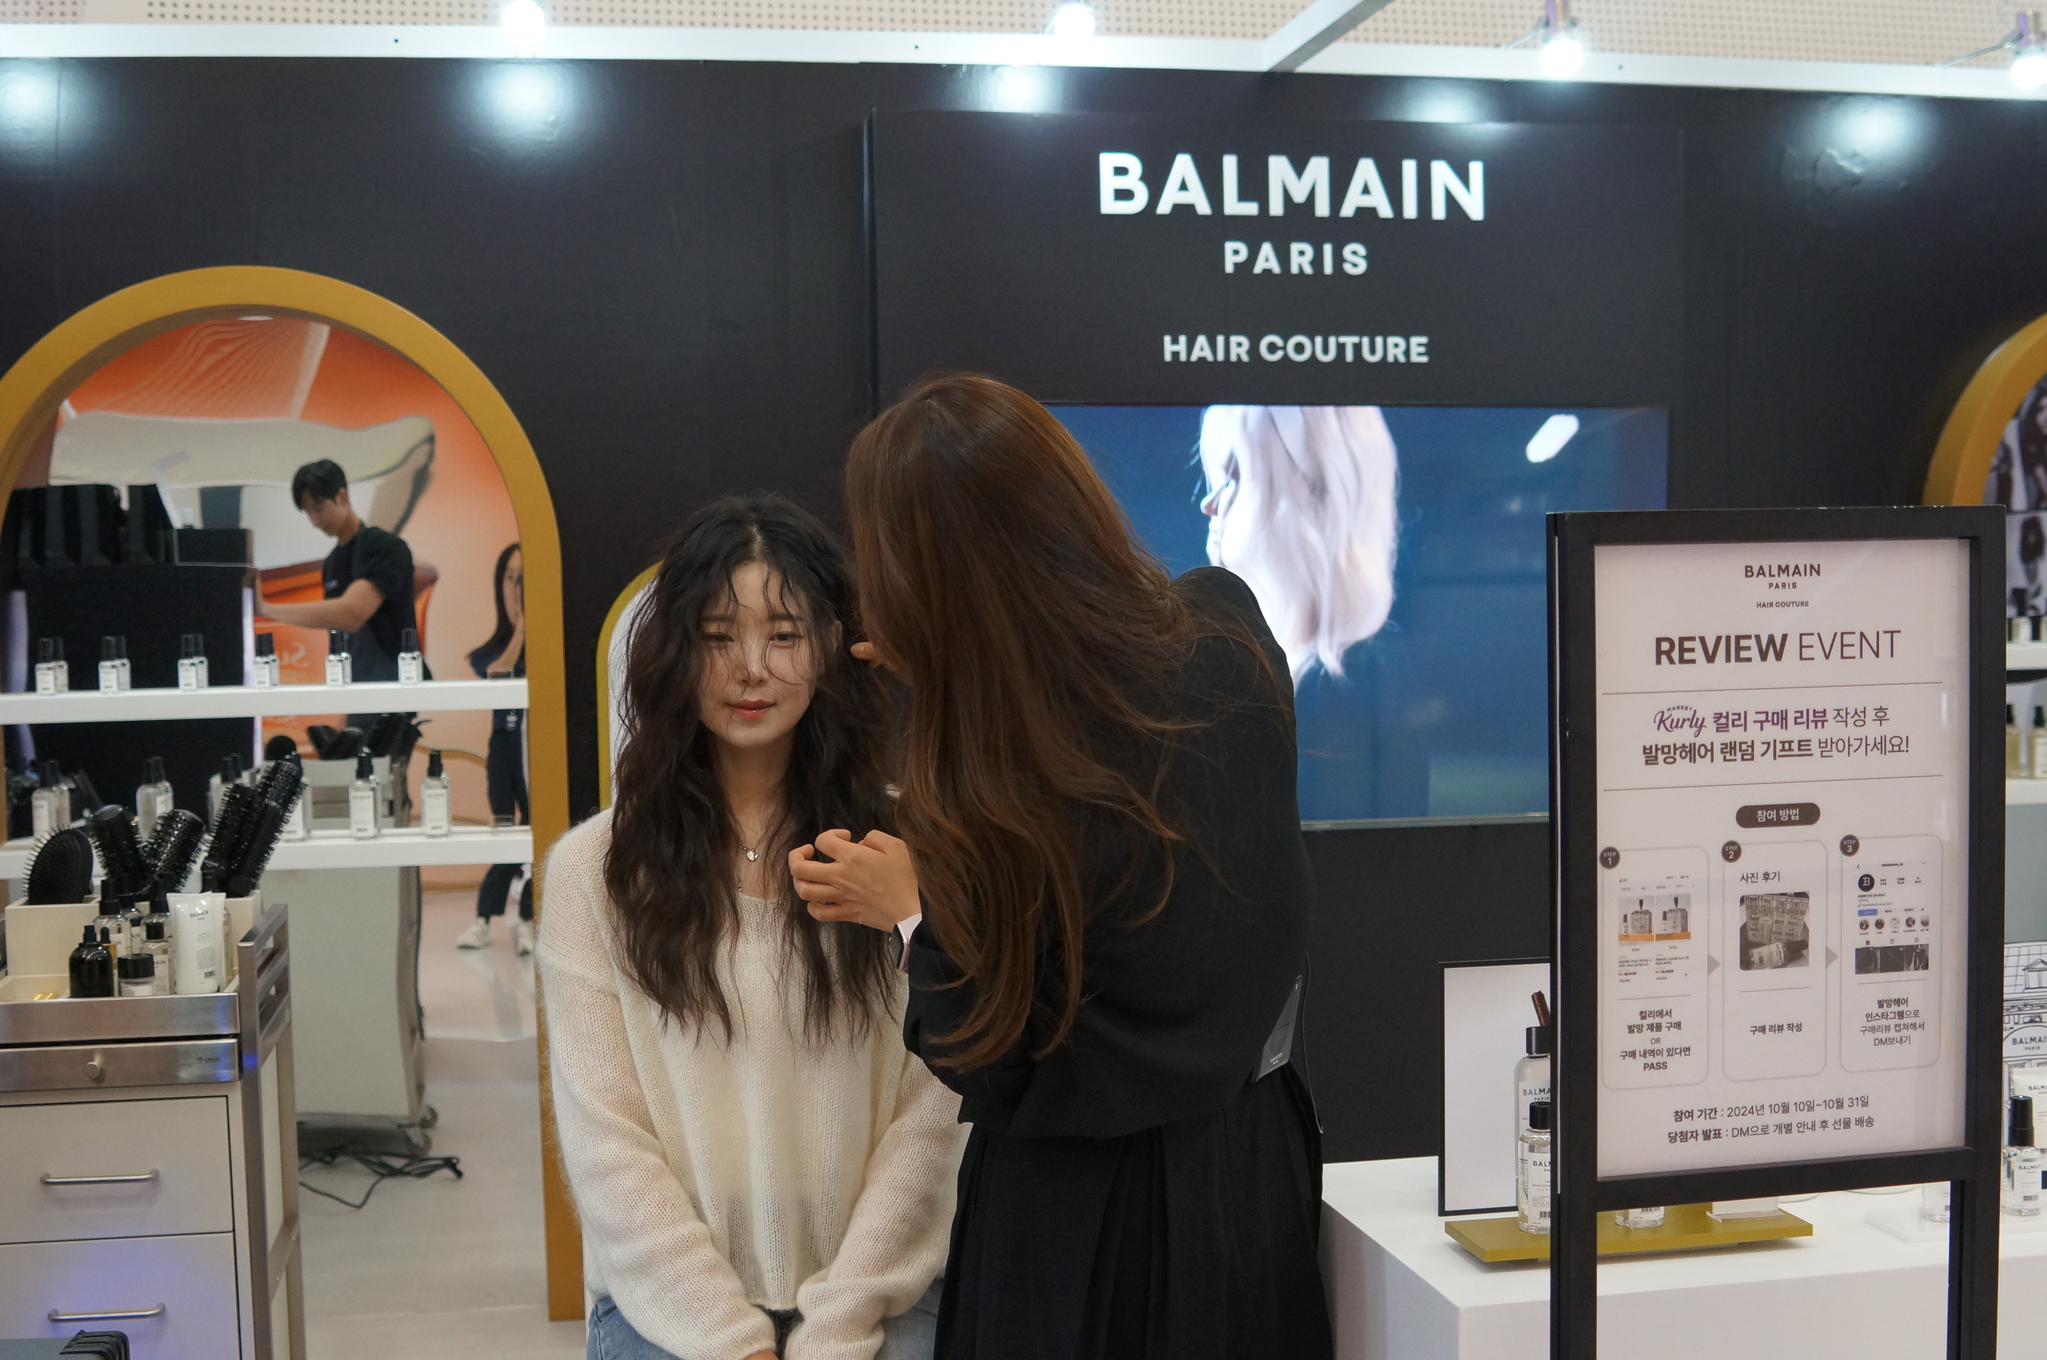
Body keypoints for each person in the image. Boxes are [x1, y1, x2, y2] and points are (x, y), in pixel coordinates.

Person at [794, 375, 1332, 1360]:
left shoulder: (1000, 770)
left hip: (1085, 1216)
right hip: (1252, 1174)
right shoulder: (1225, 630)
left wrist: (916, 908)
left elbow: (997, 1052)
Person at [538, 494, 964, 1360]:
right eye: (717, 634)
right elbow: (606, 1140)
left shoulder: (900, 851)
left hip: (885, 1296)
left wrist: (838, 1326)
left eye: (783, 633)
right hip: (669, 1309)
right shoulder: (594, 872)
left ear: (833, 645)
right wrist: (734, 1342)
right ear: (672, 652)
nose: (751, 669)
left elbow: (936, 1114)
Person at [1196, 404, 1398, 683]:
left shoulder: (1335, 689)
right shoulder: (1262, 670)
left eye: (1234, 478)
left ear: (1306, 498)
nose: (1209, 505)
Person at [256, 459, 426, 684]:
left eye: (319, 507)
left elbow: (351, 614)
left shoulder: (385, 547)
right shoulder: (332, 563)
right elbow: (338, 633)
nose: (315, 521)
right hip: (356, 689)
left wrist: (267, 609)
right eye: (308, 512)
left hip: (397, 689)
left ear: (342, 497)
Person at [457, 543, 534, 954]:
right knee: (505, 834)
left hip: (537, 750)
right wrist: (521, 628)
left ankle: (527, 919)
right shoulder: (495, 646)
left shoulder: (551, 641)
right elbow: (495, 672)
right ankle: (483, 920)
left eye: (524, 576)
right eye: (510, 577)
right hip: (504, 749)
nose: (517, 586)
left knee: (540, 834)